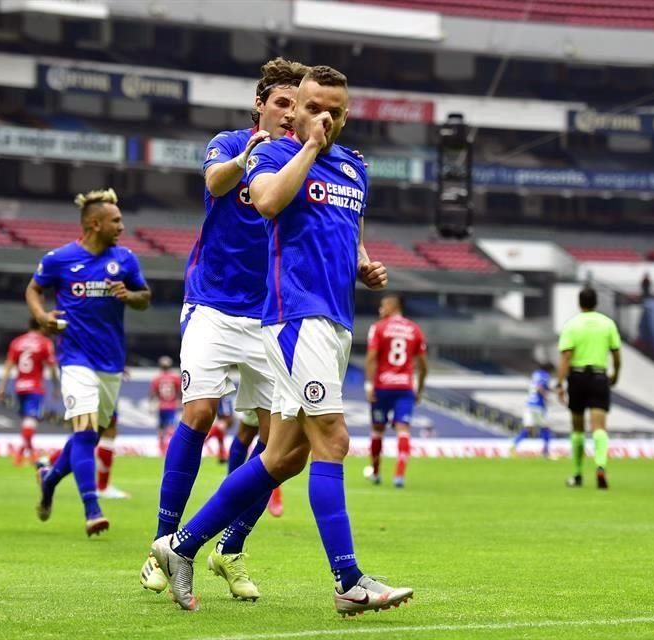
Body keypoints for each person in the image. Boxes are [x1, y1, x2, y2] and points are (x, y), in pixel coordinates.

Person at [150, 65, 413, 616]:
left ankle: (181, 545)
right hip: (295, 317)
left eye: (334, 111)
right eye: (313, 107)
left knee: (285, 455)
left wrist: (364, 265)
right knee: (333, 442)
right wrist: (309, 148)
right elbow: (267, 202)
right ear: (295, 110)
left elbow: (349, 232)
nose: (322, 118)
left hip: (336, 319)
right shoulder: (271, 154)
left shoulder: (355, 169)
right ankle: (349, 581)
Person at [140, 57, 309, 602]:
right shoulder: (230, 143)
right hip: (211, 303)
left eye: (296, 105)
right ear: (260, 105)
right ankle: (161, 545)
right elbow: (215, 182)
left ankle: (228, 549)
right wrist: (245, 157)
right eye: (280, 103)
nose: (288, 113)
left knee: (280, 441)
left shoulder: (304, 161)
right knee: (200, 412)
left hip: (270, 313)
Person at [27, 188, 151, 535]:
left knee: (89, 437)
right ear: (94, 224)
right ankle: (92, 510)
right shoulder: (59, 259)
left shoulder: (125, 260)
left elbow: (145, 298)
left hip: (110, 360)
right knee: (83, 431)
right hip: (74, 356)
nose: (122, 227)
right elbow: (33, 289)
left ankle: (49, 480)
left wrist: (131, 296)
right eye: (116, 221)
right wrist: (41, 316)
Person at [555, 288, 620, 490]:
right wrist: (615, 374)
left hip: (578, 376)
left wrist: (560, 383)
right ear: (596, 302)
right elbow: (617, 356)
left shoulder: (572, 325)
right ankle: (600, 466)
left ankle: (577, 474)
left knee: (578, 428)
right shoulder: (607, 323)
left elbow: (566, 356)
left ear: (579, 303)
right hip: (599, 376)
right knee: (599, 427)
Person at [364, 293, 427, 488]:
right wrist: (420, 387)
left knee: (377, 429)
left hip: (382, 386)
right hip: (405, 386)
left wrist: (369, 384)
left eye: (383, 306)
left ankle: (375, 473)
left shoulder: (379, 327)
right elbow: (423, 364)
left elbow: (371, 357)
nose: (380, 310)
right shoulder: (414, 329)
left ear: (392, 306)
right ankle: (399, 476)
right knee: (403, 429)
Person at [0, 317, 59, 466]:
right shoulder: (45, 343)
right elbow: (52, 367)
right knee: (30, 421)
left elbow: (8, 366)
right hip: (35, 387)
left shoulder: (17, 342)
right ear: (42, 327)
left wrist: (1, 386)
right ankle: (22, 455)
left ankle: (27, 454)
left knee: (27, 421)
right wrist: (57, 386)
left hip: (20, 387)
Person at [512, 363, 553, 458]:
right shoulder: (545, 375)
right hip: (538, 405)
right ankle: (546, 451)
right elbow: (540, 387)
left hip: (529, 404)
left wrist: (550, 390)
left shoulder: (536, 374)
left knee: (528, 428)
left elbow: (540, 386)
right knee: (545, 428)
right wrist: (546, 397)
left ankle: (514, 446)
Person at [150, 355, 182, 456]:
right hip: (171, 405)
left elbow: (153, 394)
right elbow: (180, 391)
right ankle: (170, 447)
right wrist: (179, 401)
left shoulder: (156, 378)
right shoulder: (175, 378)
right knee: (170, 427)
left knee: (161, 427)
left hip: (161, 405)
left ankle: (161, 447)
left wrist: (152, 404)